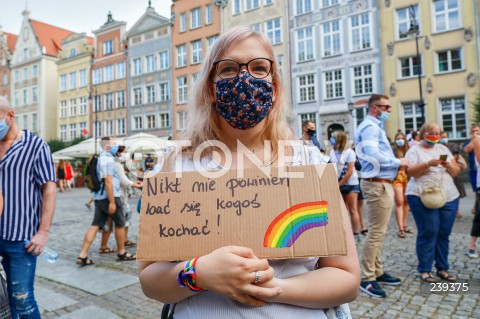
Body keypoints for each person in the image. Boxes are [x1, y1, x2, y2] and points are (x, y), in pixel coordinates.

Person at [139, 26, 359, 318]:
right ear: (210, 86)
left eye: (258, 68)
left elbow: (345, 277)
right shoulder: (176, 164)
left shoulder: (309, 162)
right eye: (229, 69)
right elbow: (150, 280)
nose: (244, 78)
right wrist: (197, 273)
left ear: (275, 86)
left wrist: (270, 286)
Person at [0, 96, 57, 318]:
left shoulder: (36, 146)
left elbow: (49, 189)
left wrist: (43, 233)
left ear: (10, 116)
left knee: (22, 299)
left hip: (20, 239)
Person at [354, 93, 409, 298]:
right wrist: (398, 162)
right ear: (374, 108)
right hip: (376, 184)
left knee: (380, 231)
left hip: (380, 183)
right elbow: (372, 153)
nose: (388, 111)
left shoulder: (374, 126)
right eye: (386, 107)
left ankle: (376, 271)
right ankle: (367, 279)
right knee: (376, 232)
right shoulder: (369, 126)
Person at [405, 122, 461, 283]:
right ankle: (425, 269)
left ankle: (443, 268)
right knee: (429, 231)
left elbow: (456, 171)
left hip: (448, 195)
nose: (435, 135)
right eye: (431, 132)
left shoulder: (443, 149)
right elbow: (409, 172)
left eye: (437, 132)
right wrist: (428, 164)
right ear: (423, 133)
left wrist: (448, 164)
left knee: (444, 233)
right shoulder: (414, 150)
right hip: (421, 194)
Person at [76, 137, 136, 266]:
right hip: (110, 196)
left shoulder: (100, 157)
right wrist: (112, 202)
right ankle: (122, 252)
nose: (117, 146)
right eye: (115, 144)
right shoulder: (107, 159)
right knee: (120, 223)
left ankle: (83, 255)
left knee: (95, 224)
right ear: (108, 146)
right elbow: (108, 181)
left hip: (98, 197)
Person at [98, 145, 142, 252]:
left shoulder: (117, 164)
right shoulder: (117, 165)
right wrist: (137, 185)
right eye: (124, 152)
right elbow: (123, 181)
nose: (126, 155)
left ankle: (120, 242)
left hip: (118, 195)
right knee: (118, 221)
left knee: (120, 219)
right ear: (118, 154)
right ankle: (118, 248)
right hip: (118, 195)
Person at [329, 131, 361, 243]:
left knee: (353, 209)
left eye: (333, 137)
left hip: (350, 183)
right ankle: (343, 233)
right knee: (342, 210)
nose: (331, 139)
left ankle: (356, 234)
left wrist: (339, 184)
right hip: (338, 183)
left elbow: (350, 171)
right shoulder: (333, 151)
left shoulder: (350, 152)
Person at [393, 132, 412, 238]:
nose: (399, 140)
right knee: (399, 201)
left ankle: (404, 225)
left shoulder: (409, 151)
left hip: (408, 178)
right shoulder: (392, 151)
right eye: (398, 138)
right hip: (397, 178)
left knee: (406, 202)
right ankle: (400, 228)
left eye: (402, 138)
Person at [463, 125, 480, 215]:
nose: (475, 133)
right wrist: (474, 140)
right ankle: (476, 206)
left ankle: (476, 207)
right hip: (474, 170)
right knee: (476, 189)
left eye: (476, 130)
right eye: (472, 132)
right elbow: (466, 150)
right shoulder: (469, 142)